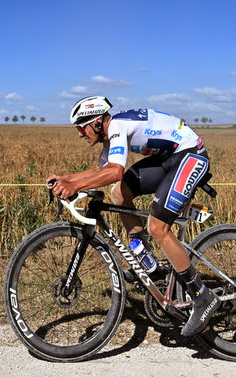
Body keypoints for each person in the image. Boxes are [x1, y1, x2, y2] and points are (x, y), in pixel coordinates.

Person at [46, 96, 218, 337]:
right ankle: (145, 259)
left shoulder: (116, 126)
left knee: (158, 227)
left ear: (96, 122)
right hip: (169, 158)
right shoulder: (111, 132)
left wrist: (74, 186)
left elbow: (115, 171)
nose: (79, 134)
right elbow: (100, 170)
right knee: (120, 193)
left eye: (80, 127)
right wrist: (67, 179)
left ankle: (203, 297)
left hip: (190, 155)